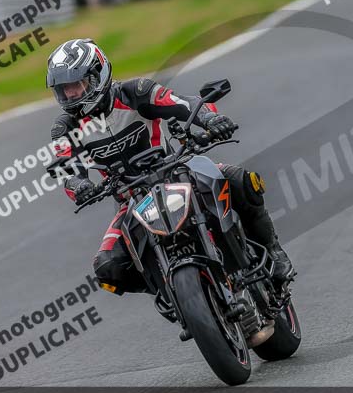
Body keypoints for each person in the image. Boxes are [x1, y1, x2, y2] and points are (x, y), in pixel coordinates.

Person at [46, 38, 294, 294]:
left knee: (241, 180)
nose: (71, 94)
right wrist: (80, 185)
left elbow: (183, 103)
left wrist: (211, 119)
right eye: (63, 89)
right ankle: (171, 293)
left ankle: (274, 252)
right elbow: (67, 169)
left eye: (76, 85)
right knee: (108, 268)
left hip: (176, 171)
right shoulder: (64, 128)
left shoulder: (136, 91)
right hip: (130, 199)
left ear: (98, 74)